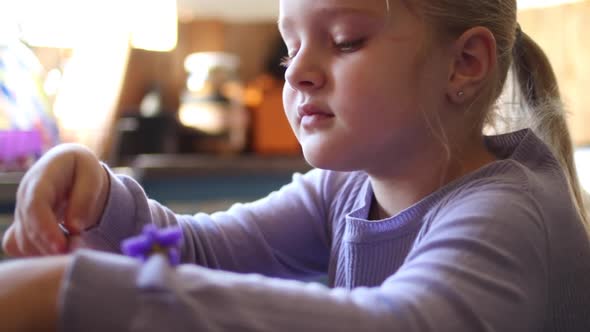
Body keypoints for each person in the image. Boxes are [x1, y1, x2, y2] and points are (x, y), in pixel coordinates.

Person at [1, 0, 590, 331]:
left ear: (464, 64)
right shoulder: (343, 189)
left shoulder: (508, 213)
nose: (296, 72)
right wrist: (98, 195)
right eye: (291, 47)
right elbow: (200, 251)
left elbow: (403, 323)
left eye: (345, 41)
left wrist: (71, 292)